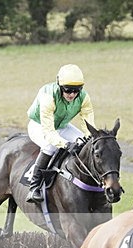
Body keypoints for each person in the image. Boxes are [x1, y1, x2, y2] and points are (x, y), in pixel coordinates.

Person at [25, 64, 95, 204]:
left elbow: (88, 124)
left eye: (76, 91)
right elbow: (49, 132)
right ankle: (34, 187)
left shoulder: (84, 97)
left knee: (85, 143)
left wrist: (91, 137)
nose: (72, 95)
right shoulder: (48, 96)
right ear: (60, 86)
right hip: (39, 125)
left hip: (62, 126)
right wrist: (66, 144)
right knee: (51, 146)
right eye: (68, 90)